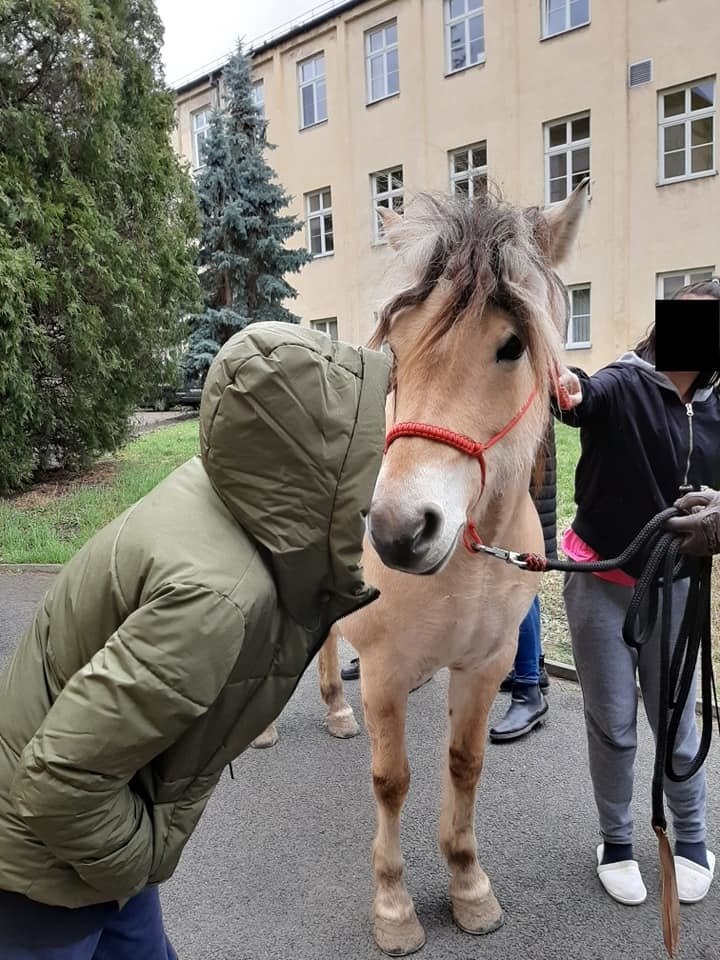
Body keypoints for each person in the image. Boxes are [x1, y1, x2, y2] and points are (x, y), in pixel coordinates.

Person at [0, 322, 391, 959]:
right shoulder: (217, 600)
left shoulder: (230, 489)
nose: (379, 467)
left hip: (99, 830)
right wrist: (143, 857)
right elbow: (58, 783)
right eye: (364, 448)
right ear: (314, 464)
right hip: (45, 872)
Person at [555, 277, 720, 908]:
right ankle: (617, 842)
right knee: (614, 724)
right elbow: (581, 396)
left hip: (676, 586)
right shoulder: (624, 383)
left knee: (678, 720)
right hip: (601, 581)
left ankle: (694, 839)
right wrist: (568, 386)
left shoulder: (715, 404)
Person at [490, 421, 556, 742]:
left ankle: (528, 692)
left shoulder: (521, 375)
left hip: (522, 495)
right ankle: (533, 668)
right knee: (522, 583)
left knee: (519, 586)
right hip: (527, 492)